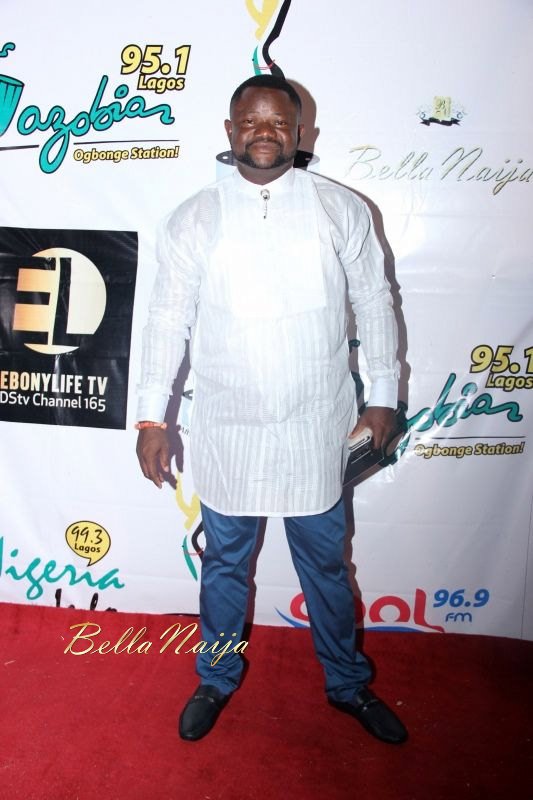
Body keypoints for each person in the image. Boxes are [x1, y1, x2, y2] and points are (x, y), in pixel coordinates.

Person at [136, 75, 407, 744]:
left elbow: (375, 302)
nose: (265, 133)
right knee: (224, 565)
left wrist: (383, 397)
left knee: (326, 567)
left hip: (317, 426)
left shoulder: (339, 208)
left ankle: (347, 683)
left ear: (300, 133)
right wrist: (150, 417)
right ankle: (215, 677)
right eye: (251, 122)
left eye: (279, 123)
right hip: (229, 428)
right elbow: (166, 320)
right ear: (229, 132)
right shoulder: (194, 217)